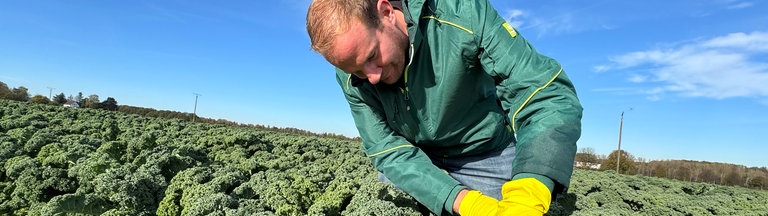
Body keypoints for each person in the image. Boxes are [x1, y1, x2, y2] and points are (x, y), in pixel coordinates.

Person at [306, 0, 582, 215]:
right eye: (357, 71)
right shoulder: (351, 75)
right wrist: (460, 200)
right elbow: (386, 149)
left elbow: (545, 94)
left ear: (386, 12)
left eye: (372, 56)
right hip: (417, 160)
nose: (372, 77)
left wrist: (532, 184)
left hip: (483, 153)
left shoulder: (462, 15)